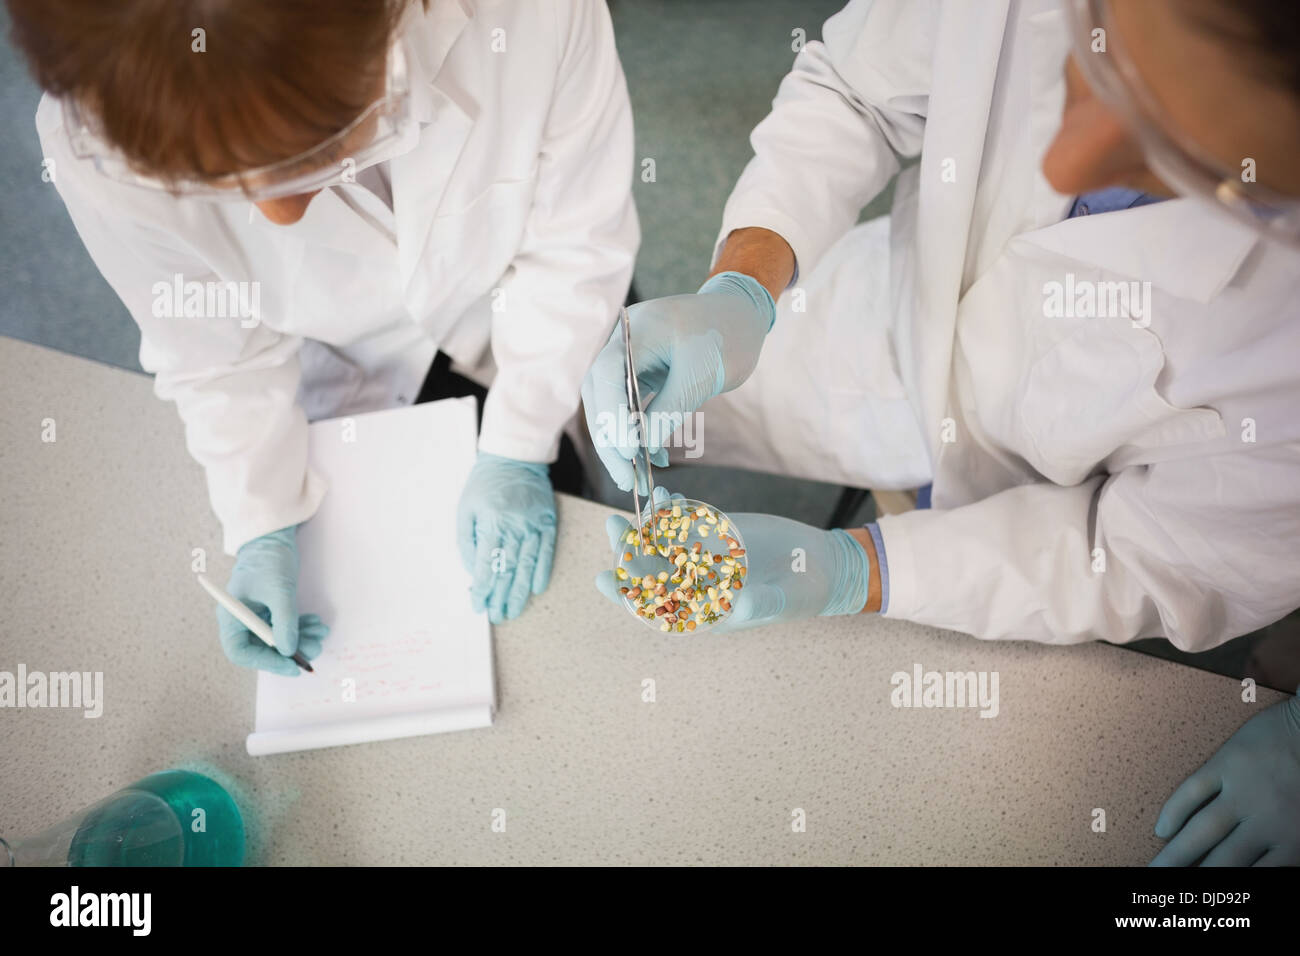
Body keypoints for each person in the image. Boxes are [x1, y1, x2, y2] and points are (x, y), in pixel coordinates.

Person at [586, 0, 1299, 865]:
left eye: (1173, 151)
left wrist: (862, 569)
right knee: (663, 413)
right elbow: (854, 86)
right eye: (1093, 59)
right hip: (883, 326)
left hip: (1052, 497)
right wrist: (742, 286)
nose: (1068, 157)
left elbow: (1145, 553)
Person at [10, 0, 639, 673]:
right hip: (343, 364)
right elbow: (212, 346)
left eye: (308, 160)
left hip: (527, 312)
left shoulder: (526, 17)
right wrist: (261, 518)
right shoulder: (96, 131)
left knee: (574, 492)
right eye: (214, 185)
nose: (276, 216)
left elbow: (575, 248)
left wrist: (519, 444)